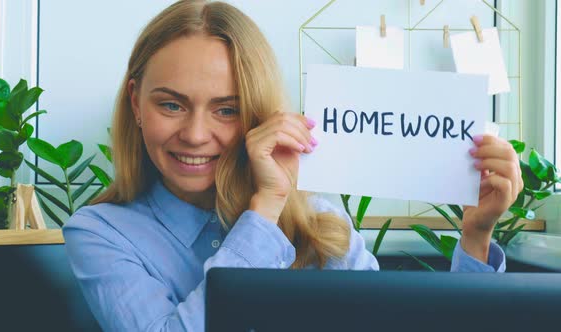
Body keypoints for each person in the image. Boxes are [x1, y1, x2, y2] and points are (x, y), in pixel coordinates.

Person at [62, 1, 523, 331]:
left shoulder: (320, 215)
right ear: (136, 103)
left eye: (226, 110)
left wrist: (476, 236)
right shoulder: (100, 232)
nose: (197, 135)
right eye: (171, 105)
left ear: (259, 114)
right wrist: (264, 211)